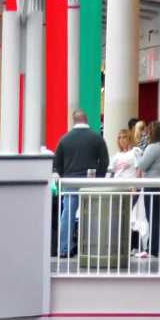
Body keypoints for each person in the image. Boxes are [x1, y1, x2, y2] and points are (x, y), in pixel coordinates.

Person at [52, 109, 112, 254]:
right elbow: (105, 161)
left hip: (70, 181)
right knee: (92, 214)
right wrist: (99, 179)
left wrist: (63, 176)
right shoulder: (97, 138)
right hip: (90, 181)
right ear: (86, 120)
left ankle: (64, 248)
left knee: (68, 214)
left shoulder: (64, 139)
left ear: (74, 121)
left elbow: (56, 164)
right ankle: (91, 248)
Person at [135, 121, 160, 256]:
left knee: (153, 217)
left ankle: (154, 248)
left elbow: (142, 165)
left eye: (148, 132)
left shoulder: (153, 147)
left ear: (152, 133)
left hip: (153, 186)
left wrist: (138, 155)